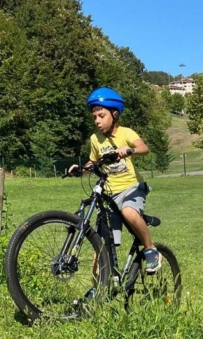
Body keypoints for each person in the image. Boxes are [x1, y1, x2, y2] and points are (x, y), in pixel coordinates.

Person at [69, 87, 161, 273]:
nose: (97, 121)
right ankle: (99, 292)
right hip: (109, 194)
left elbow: (144, 148)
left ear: (115, 114)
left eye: (101, 115)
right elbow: (94, 162)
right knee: (101, 246)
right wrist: (81, 169)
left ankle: (150, 249)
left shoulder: (126, 133)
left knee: (129, 212)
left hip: (131, 188)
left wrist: (129, 150)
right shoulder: (95, 139)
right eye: (94, 117)